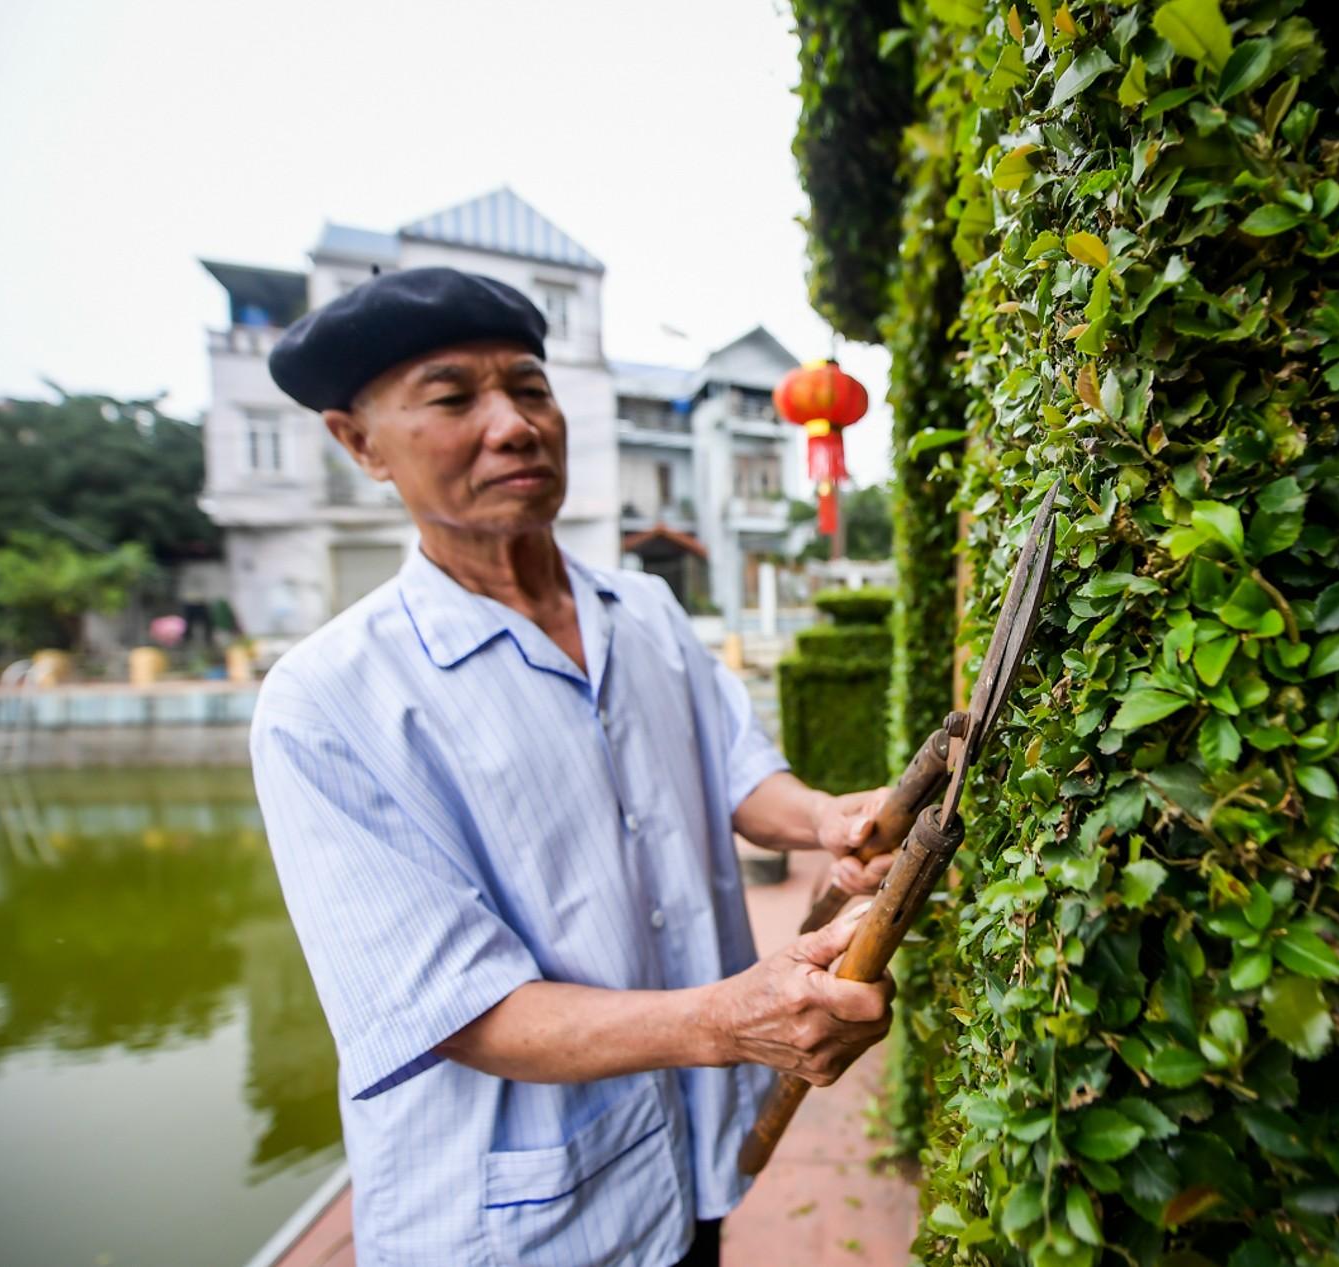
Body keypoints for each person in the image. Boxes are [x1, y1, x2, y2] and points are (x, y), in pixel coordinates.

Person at [250, 267, 896, 1267]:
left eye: (530, 387)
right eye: (454, 397)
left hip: (687, 1161)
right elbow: (456, 1005)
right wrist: (731, 1018)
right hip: (513, 1228)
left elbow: (735, 773)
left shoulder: (643, 609)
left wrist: (825, 820)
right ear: (357, 442)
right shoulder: (328, 701)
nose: (513, 424)